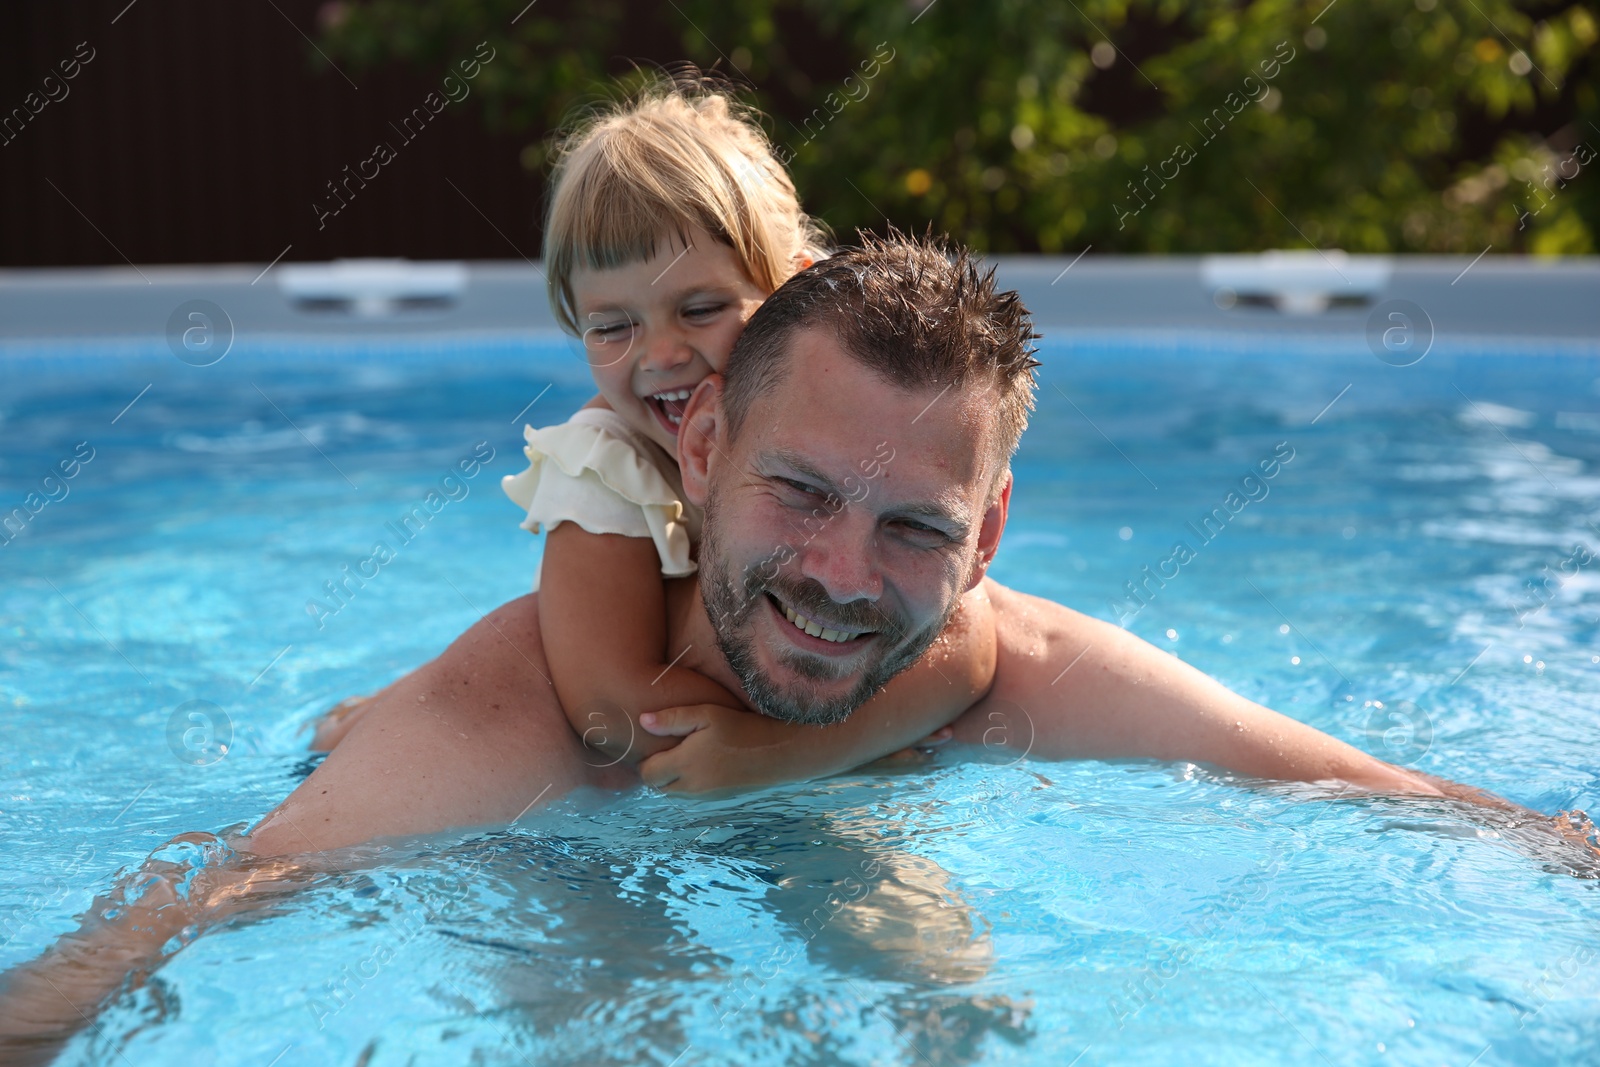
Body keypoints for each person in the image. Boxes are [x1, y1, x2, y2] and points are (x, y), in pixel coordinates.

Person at [4, 231, 1580, 1062]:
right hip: (566, 889)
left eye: (913, 528)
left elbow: (1361, 788)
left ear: (991, 536)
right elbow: (200, 909)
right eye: (803, 495)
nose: (838, 578)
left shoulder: (999, 660)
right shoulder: (527, 709)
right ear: (695, 459)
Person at [313, 77, 995, 792]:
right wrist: (795, 752)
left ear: (794, 295)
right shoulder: (605, 465)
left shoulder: (838, 433)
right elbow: (606, 705)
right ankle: (374, 713)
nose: (660, 355)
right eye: (612, 327)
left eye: (699, 309)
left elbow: (972, 646)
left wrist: (809, 751)